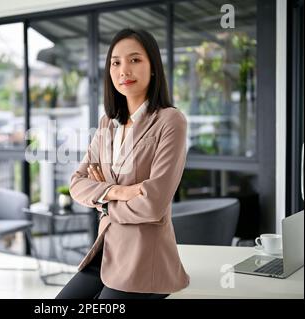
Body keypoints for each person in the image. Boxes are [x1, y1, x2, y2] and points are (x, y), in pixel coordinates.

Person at [55, 28, 190, 299]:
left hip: (143, 260)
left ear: (153, 67)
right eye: (116, 62)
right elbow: (77, 183)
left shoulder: (170, 121)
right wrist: (119, 191)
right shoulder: (108, 122)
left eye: (135, 60)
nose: (123, 70)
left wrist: (103, 201)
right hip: (105, 252)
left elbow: (153, 204)